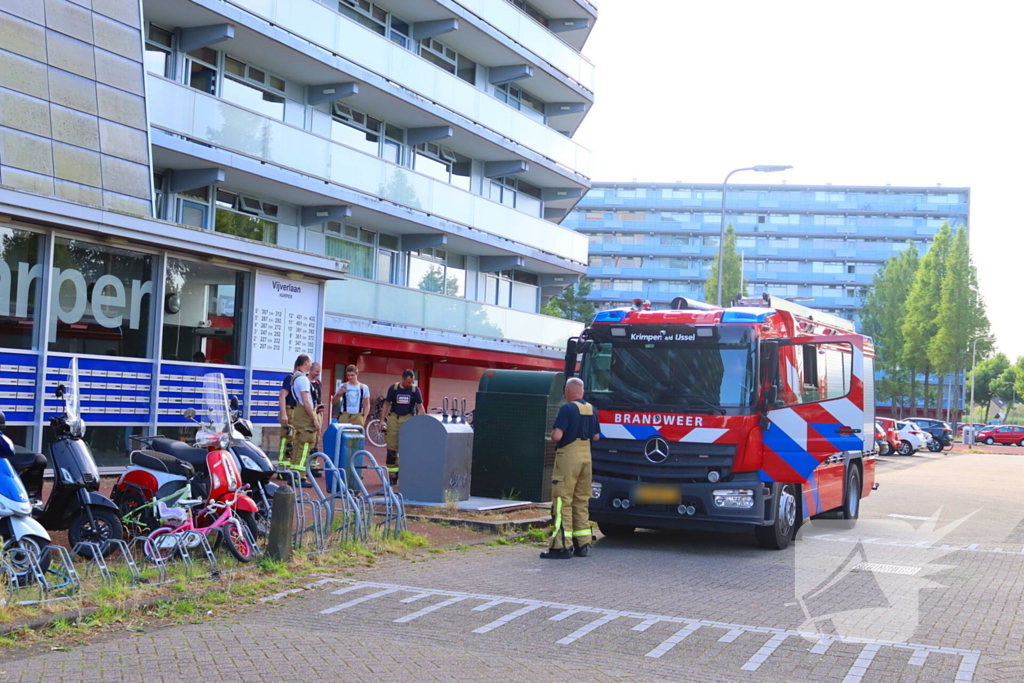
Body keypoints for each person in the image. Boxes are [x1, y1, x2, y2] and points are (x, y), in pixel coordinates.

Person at [542, 377, 600, 560]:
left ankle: (561, 546)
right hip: (586, 458)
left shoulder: (567, 409)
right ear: (581, 391)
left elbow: (558, 436)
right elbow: (596, 436)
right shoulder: (592, 409)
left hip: (568, 459)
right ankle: (582, 544)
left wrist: (552, 434)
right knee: (581, 500)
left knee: (562, 501)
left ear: (568, 391)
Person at [381, 369, 423, 486]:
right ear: (403, 379)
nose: (410, 384)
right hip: (394, 418)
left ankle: (406, 475)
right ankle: (392, 476)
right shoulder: (393, 389)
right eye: (408, 382)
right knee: (391, 449)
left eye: (411, 382)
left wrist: (423, 423)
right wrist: (382, 420)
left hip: (408, 419)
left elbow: (420, 407)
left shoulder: (415, 390)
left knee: (407, 449)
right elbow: (386, 404)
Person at [282, 355, 320, 482]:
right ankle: (300, 477)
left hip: (299, 414)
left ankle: (294, 475)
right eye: (309, 363)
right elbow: (307, 401)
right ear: (306, 363)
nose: (311, 365)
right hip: (305, 416)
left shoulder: (295, 378)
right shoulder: (303, 379)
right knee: (305, 445)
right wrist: (314, 419)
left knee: (298, 445)